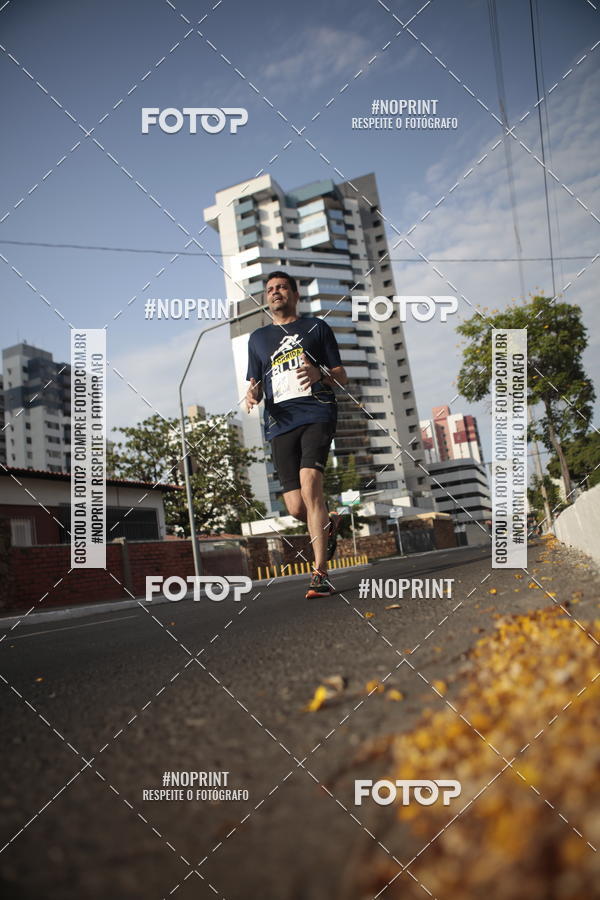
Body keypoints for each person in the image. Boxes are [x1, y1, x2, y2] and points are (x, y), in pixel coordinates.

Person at [245, 271, 348, 598]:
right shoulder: (257, 339)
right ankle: (329, 522)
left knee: (311, 485)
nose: (276, 292)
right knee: (294, 507)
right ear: (266, 298)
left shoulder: (316, 327)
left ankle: (320, 574)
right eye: (270, 289)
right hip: (279, 422)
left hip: (317, 411)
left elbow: (341, 375)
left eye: (282, 287)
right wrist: (253, 395)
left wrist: (321, 373)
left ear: (294, 293)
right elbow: (256, 384)